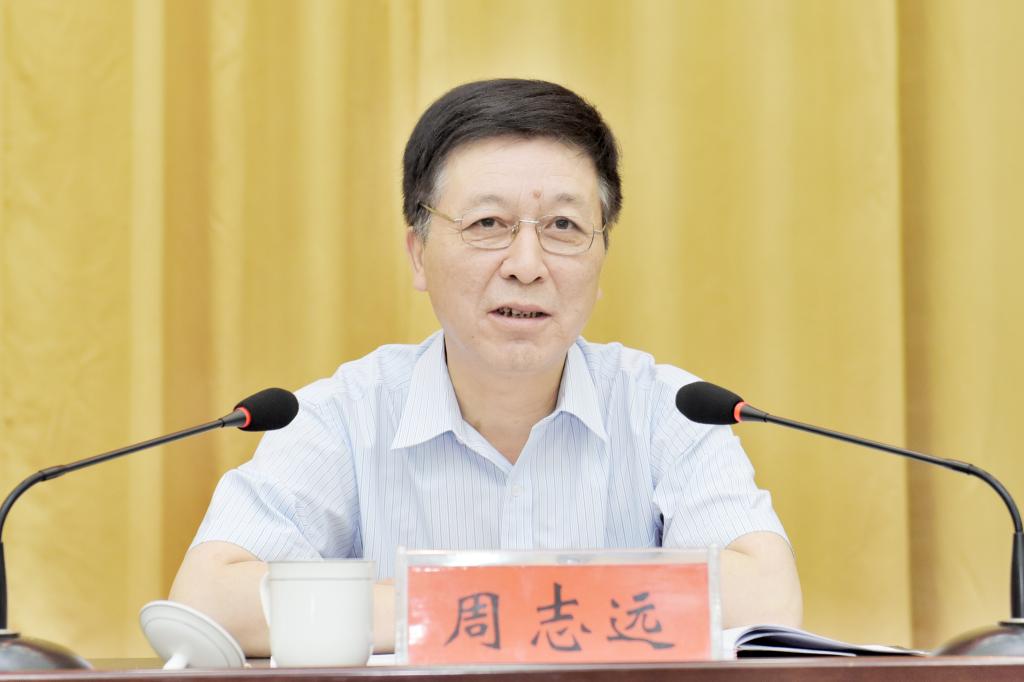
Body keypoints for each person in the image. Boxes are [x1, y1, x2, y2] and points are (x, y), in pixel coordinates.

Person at [170, 79, 802, 656]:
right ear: (418, 254)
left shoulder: (670, 411)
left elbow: (766, 599)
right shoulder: (343, 416)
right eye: (488, 223)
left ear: (602, 254)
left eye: (563, 225)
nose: (526, 265)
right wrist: (502, 603)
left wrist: (449, 605)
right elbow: (209, 600)